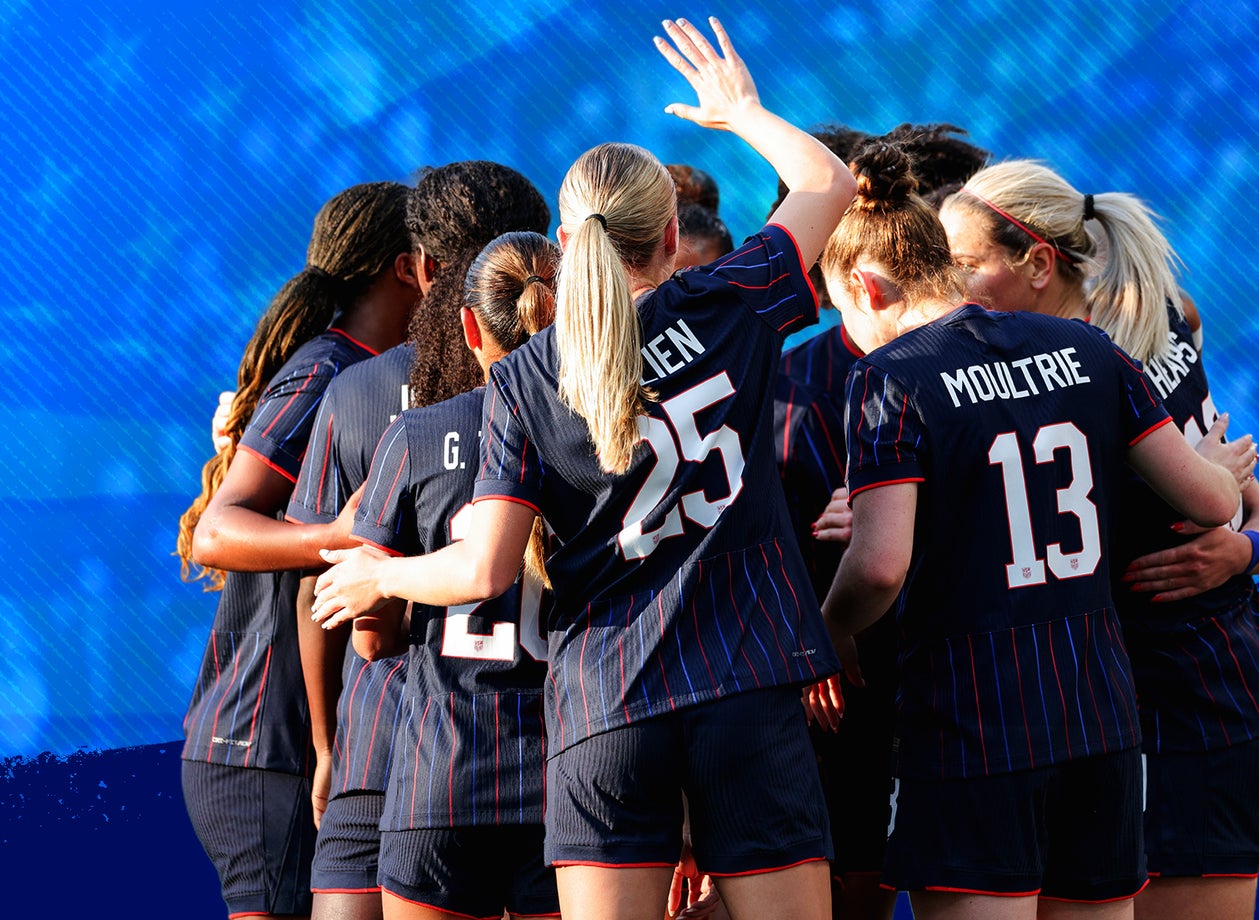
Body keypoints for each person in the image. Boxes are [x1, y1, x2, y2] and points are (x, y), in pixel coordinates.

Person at [313, 18, 855, 920]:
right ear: (673, 237)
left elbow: (483, 569)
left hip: (607, 703)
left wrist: (382, 574)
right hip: (745, 687)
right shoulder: (731, 299)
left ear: (565, 244)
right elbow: (828, 182)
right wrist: (741, 112)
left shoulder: (527, 374)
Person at [809, 142, 1258, 919]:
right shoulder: (1088, 348)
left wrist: (828, 632)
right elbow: (1215, 500)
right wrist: (1218, 471)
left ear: (865, 286)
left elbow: (880, 568)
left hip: (972, 726)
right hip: (1100, 720)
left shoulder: (889, 376)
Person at [941, 160, 1259, 920]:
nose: (950, 286)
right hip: (1154, 697)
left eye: (965, 264)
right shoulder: (1151, 320)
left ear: (1039, 264)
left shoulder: (1092, 373)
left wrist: (1238, 549)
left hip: (1193, 700)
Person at [298, 162, 551, 920]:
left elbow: (360, 623)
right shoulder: (604, 426)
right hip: (569, 752)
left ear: (427, 270)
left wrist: (324, 744)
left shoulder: (380, 405)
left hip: (421, 753)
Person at [179, 181, 422, 920]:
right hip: (261, 745)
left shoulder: (383, 372)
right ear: (407, 267)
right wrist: (335, 536)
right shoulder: (328, 369)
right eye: (435, 253)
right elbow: (216, 529)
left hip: (298, 743)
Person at [781, 122, 989, 920]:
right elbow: (767, 532)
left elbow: (882, 557)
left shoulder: (926, 362)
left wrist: (889, 509)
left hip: (950, 668)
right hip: (852, 686)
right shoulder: (789, 382)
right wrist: (815, 640)